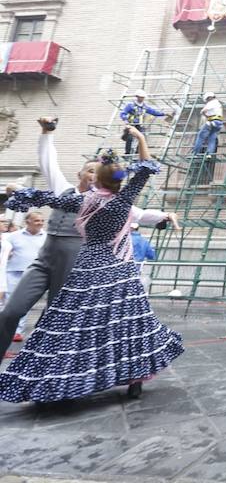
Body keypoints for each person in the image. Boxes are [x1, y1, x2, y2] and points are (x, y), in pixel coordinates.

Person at [0, 126, 184, 402]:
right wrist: (141, 138)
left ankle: (58, 380)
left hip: (87, 267)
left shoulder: (83, 200)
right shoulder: (124, 200)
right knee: (129, 324)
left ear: (95, 178)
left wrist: (17, 189)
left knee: (71, 323)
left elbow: (43, 197)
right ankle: (133, 376)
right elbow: (145, 168)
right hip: (120, 272)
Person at [0, 211, 47, 343]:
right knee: (9, 303)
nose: (40, 223)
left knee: (24, 303)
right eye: (37, 220)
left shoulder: (47, 237)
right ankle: (11, 331)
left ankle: (17, 332)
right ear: (28, 222)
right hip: (13, 273)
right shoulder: (13, 236)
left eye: (42, 220)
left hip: (34, 274)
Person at [120, 89, 169, 155]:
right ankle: (127, 153)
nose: (142, 99)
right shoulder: (130, 105)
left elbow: (153, 112)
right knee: (130, 138)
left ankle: (138, 152)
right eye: (141, 97)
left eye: (143, 97)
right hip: (131, 124)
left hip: (139, 125)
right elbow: (123, 113)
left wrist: (164, 114)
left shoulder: (144, 107)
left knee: (142, 137)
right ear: (137, 97)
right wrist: (125, 120)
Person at [192, 91, 224, 155]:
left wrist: (206, 116)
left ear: (209, 98)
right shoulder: (218, 103)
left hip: (212, 121)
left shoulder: (211, 102)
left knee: (200, 136)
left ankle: (195, 152)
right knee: (212, 138)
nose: (206, 101)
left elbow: (202, 111)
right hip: (219, 123)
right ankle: (209, 154)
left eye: (206, 100)